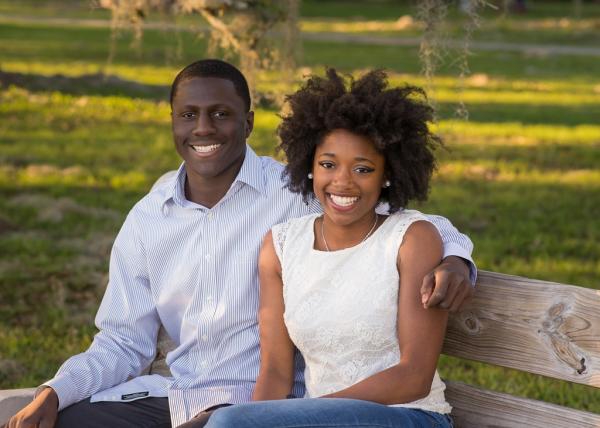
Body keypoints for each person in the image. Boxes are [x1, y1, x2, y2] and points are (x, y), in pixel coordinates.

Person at [5, 59, 475, 428]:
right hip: (183, 399)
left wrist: (456, 255)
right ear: (173, 123)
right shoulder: (152, 217)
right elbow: (123, 340)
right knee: (45, 419)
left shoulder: (292, 195)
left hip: (269, 408)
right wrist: (57, 388)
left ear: (248, 122)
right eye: (189, 115)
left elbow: (387, 219)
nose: (203, 128)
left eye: (220, 115)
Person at [205, 69, 456, 427]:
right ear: (309, 166)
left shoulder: (410, 239)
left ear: (387, 175)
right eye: (328, 164)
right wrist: (261, 418)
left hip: (407, 416)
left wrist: (301, 414)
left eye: (363, 169)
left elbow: (414, 376)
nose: (342, 182)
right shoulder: (281, 246)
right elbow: (276, 371)